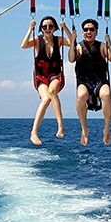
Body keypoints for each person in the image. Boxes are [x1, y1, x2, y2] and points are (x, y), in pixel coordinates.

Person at [21, 16, 72, 145]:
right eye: (45, 27)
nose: (47, 29)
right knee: (46, 99)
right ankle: (34, 133)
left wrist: (65, 27)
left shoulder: (58, 40)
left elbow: (72, 42)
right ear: (41, 29)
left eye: (50, 26)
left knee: (52, 92)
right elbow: (23, 45)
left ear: (55, 28)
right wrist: (30, 28)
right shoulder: (37, 40)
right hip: (41, 76)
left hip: (55, 75)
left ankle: (60, 126)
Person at [69, 18, 111, 146]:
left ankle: (106, 128)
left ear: (96, 32)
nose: (88, 32)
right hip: (84, 82)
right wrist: (72, 40)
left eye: (91, 29)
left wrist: (109, 42)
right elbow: (71, 59)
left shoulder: (101, 46)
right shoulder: (78, 47)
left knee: (107, 95)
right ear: (82, 32)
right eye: (85, 30)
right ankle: (84, 128)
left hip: (99, 81)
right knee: (81, 96)